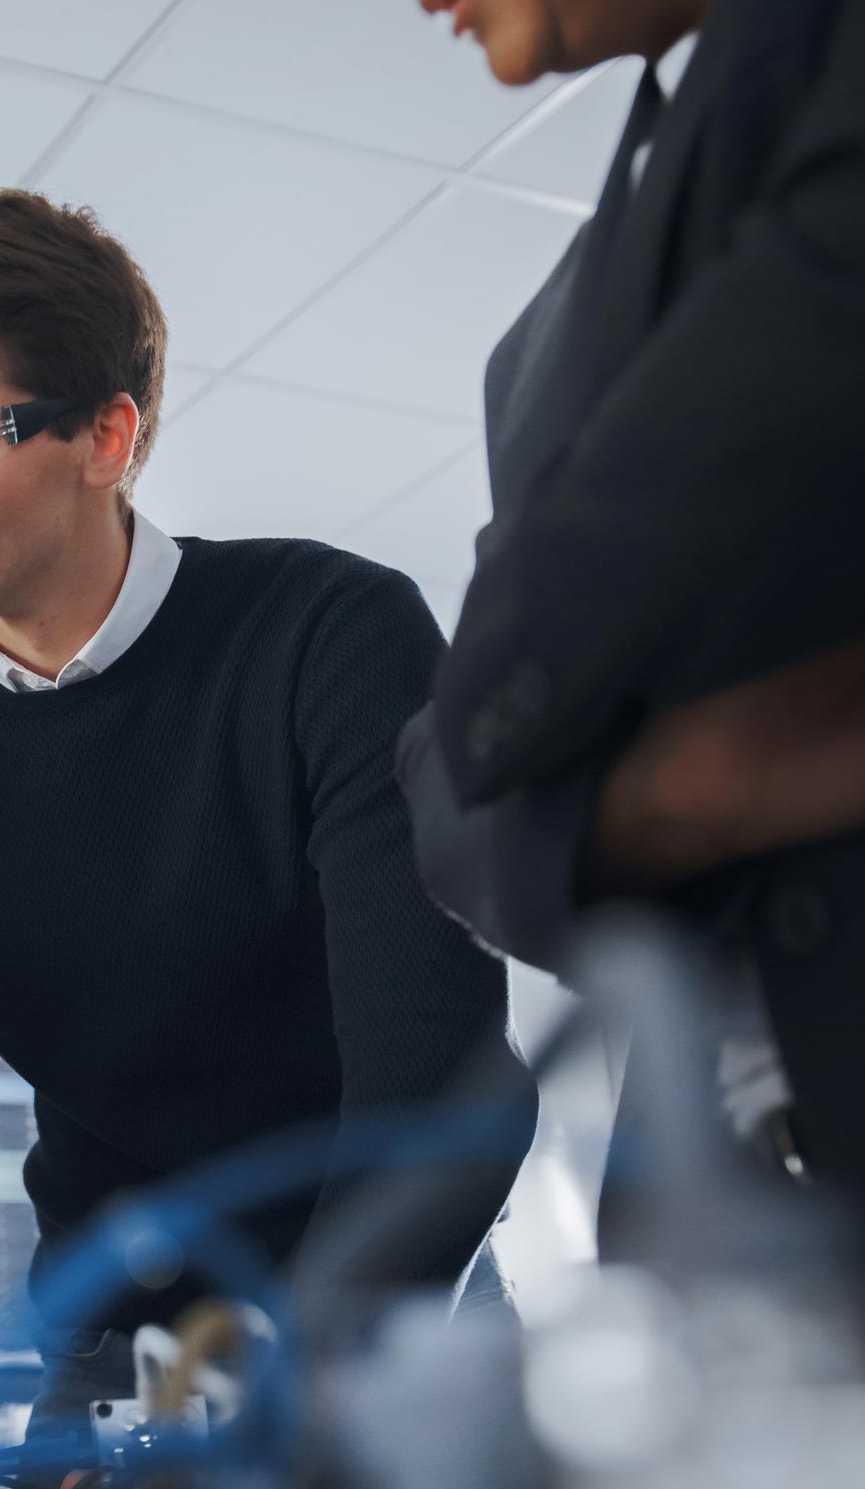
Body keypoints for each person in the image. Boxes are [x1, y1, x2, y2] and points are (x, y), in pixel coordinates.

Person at [0, 190, 534, 1417]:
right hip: (110, 1341)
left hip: (383, 1306)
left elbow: (429, 1058)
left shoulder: (329, 636)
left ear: (104, 436)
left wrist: (316, 1374)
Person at [402, 0, 865, 1179]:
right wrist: (671, 797)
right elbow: (447, 778)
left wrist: (559, 789)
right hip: (725, 1180)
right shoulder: (531, 355)